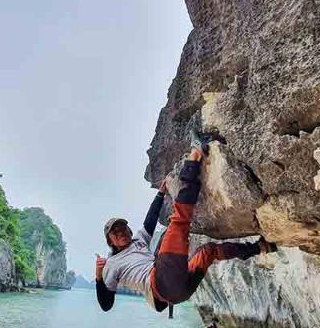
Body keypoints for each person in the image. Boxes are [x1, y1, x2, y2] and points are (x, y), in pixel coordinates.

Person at [95, 133, 276, 313]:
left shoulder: (139, 241)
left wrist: (160, 194)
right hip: (161, 283)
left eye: (122, 228)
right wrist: (98, 277)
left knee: (208, 252)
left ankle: (260, 248)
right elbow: (106, 305)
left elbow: (149, 221)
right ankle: (196, 153)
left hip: (180, 291)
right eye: (115, 233)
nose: (121, 233)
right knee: (179, 220)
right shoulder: (112, 264)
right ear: (110, 241)